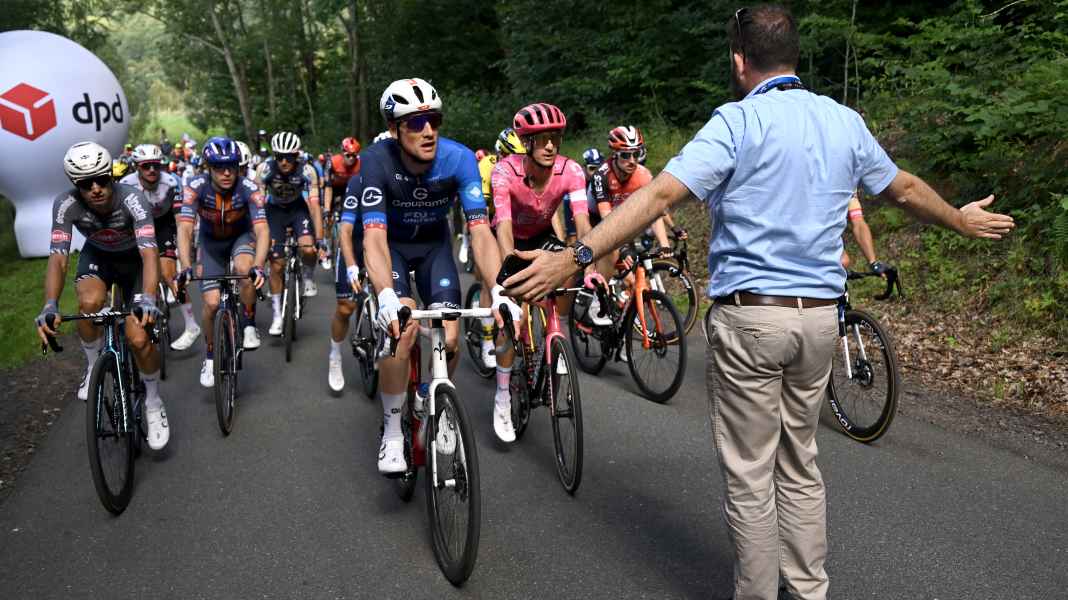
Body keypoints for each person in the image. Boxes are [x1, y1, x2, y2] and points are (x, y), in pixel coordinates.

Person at [500, 5, 1014, 599]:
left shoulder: (737, 123)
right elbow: (901, 187)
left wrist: (577, 256)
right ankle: (810, 591)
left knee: (751, 473)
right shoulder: (843, 121)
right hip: (820, 320)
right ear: (794, 55)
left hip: (752, 318)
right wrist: (959, 219)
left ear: (740, 61)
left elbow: (664, 191)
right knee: (800, 462)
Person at [350, 77, 515, 474]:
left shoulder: (459, 159)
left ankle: (432, 395)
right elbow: (373, 235)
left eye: (434, 120)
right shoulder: (376, 159)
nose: (428, 130)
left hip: (435, 248)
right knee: (400, 333)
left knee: (452, 337)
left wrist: (499, 289)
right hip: (393, 247)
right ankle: (392, 430)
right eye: (415, 122)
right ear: (394, 128)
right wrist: (386, 294)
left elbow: (480, 231)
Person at [36, 141, 169, 450]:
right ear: (74, 185)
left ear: (111, 175)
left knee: (137, 339)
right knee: (88, 305)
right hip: (99, 257)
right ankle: (93, 366)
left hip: (135, 262)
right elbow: (58, 257)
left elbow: (150, 254)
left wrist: (148, 298)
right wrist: (50, 304)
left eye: (102, 179)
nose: (95, 188)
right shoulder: (65, 205)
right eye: (85, 184)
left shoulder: (134, 199)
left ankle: (153, 401)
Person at [489, 103, 592, 442]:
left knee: (564, 278)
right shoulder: (504, 172)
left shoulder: (572, 171)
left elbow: (583, 223)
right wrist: (511, 271)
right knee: (507, 317)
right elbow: (502, 225)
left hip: (541, 236)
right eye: (542, 139)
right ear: (527, 143)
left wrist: (587, 268)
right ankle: (503, 395)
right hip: (506, 240)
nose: (550, 146)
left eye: (555, 138)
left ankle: (554, 335)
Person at [177, 137, 269, 387]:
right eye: (219, 167)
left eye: (232, 166)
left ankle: (248, 323)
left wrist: (259, 265)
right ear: (208, 168)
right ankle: (209, 356)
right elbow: (184, 229)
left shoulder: (249, 188)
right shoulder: (195, 186)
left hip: (240, 237)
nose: (227, 172)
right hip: (210, 244)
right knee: (211, 304)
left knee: (244, 270)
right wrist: (185, 266)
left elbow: (262, 230)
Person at [121, 144, 202, 350]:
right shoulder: (125, 185)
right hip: (136, 227)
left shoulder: (172, 182)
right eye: (146, 166)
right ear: (137, 167)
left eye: (156, 166)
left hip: (164, 226)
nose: (151, 170)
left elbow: (181, 222)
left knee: (168, 273)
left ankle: (191, 325)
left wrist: (184, 257)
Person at [256, 131, 326, 336]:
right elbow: (258, 205)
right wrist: (258, 234)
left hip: (298, 210)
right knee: (276, 263)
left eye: (289, 157)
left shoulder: (308, 170)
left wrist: (320, 238)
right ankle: (277, 315)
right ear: (274, 156)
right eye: (279, 157)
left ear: (297, 156)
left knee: (308, 248)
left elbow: (314, 207)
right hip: (274, 211)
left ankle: (308, 275)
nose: (284, 162)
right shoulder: (264, 169)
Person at [840, 191, 887, 274]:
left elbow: (858, 222)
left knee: (844, 262)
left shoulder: (844, 185)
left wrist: (873, 262)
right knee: (843, 261)